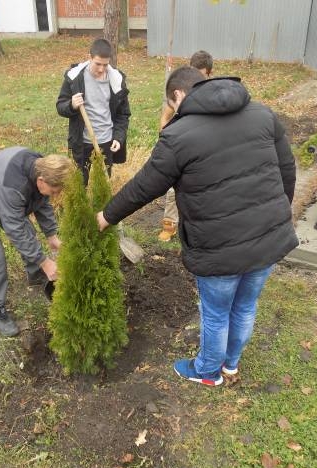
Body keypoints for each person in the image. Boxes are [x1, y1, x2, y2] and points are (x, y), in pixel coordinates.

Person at [96, 67, 298, 386]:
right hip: (268, 237)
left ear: (178, 95)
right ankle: (230, 365)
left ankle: (207, 373)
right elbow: (287, 169)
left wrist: (104, 217)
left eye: (171, 104)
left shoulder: (179, 136)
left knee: (217, 313)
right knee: (245, 305)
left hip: (217, 247)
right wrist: (276, 217)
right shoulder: (262, 115)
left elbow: (144, 187)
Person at [0, 148, 74, 337]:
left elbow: (41, 202)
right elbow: (15, 229)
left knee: (28, 232)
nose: (54, 195)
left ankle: (36, 275)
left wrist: (52, 236)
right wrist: (45, 261)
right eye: (53, 191)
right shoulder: (13, 186)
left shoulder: (41, 167)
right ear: (41, 181)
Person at [56, 38, 131, 185]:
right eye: (97, 64)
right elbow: (60, 106)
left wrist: (118, 137)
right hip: (81, 143)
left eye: (105, 64)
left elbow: (123, 114)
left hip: (106, 142)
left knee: (102, 186)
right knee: (79, 184)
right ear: (89, 57)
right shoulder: (75, 78)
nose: (101, 69)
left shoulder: (116, 81)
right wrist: (71, 105)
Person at [157, 50, 213, 242]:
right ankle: (169, 225)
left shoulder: (213, 95)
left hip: (204, 150)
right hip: (182, 147)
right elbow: (166, 115)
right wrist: (164, 133)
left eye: (202, 74)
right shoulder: (181, 91)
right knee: (173, 188)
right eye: (194, 72)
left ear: (209, 74)